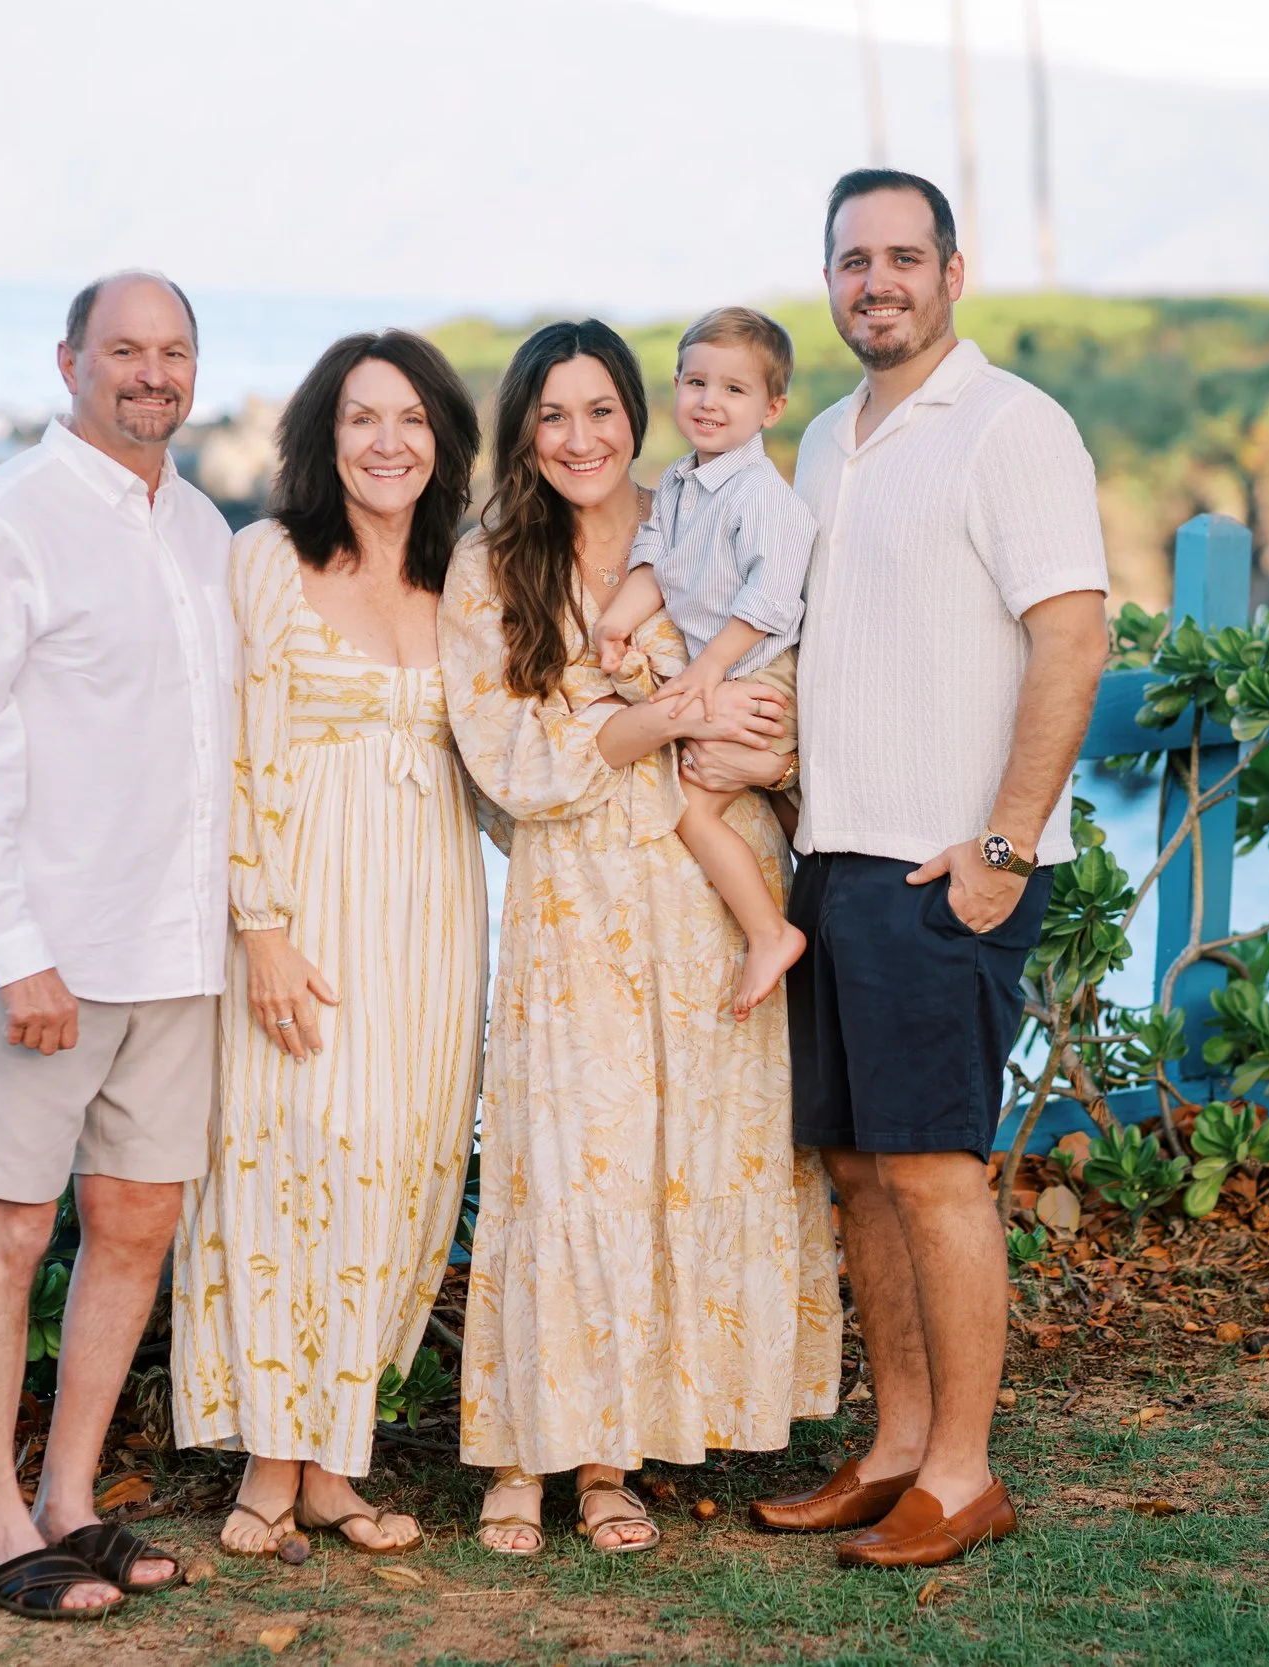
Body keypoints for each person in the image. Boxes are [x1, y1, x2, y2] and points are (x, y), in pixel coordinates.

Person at [748, 170, 1110, 1570]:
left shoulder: (1013, 428)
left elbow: (1071, 639)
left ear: (953, 272)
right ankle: (898, 1447)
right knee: (859, 1169)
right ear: (829, 279)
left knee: (938, 1171)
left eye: (904, 256)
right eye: (853, 259)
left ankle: (964, 1472)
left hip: (942, 871)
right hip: (835, 859)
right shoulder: (832, 438)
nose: (876, 280)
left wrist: (1005, 848)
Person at [438, 320, 841, 1559]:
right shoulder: (490, 562)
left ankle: (613, 1455)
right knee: (569, 1166)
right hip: (577, 903)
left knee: (684, 1161)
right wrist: (632, 729)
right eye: (552, 416)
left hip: (712, 889)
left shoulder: (703, 521)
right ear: (524, 431)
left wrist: (765, 744)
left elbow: (796, 676)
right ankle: (522, 1450)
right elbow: (495, 750)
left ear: (639, 416)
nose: (579, 438)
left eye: (601, 411)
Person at [0, 270, 228, 1619]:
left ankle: (73, 1499)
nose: (149, 374)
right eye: (123, 350)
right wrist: (18, 945)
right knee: (14, 1224)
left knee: (137, 1218)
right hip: (38, 952)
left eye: (172, 353)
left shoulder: (206, 523)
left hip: (176, 948)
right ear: (68, 361)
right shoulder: (6, 522)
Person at [169, 331, 489, 1558]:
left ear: (441, 441)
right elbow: (233, 754)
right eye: (361, 418)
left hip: (431, 920)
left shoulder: (462, 583)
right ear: (323, 435)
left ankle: (332, 1461)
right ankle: (267, 1457)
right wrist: (259, 925)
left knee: (397, 1170)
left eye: (411, 418)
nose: (388, 440)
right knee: (278, 1159)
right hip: (299, 912)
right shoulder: (265, 561)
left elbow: (512, 756)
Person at [591, 306, 816, 1019]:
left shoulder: (763, 497)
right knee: (693, 795)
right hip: (719, 665)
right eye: (696, 383)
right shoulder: (683, 482)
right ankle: (765, 924)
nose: (709, 402)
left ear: (772, 407)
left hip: (758, 668)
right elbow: (655, 559)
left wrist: (712, 668)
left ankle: (769, 931)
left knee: (689, 803)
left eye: (734, 390)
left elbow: (772, 599)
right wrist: (616, 621)